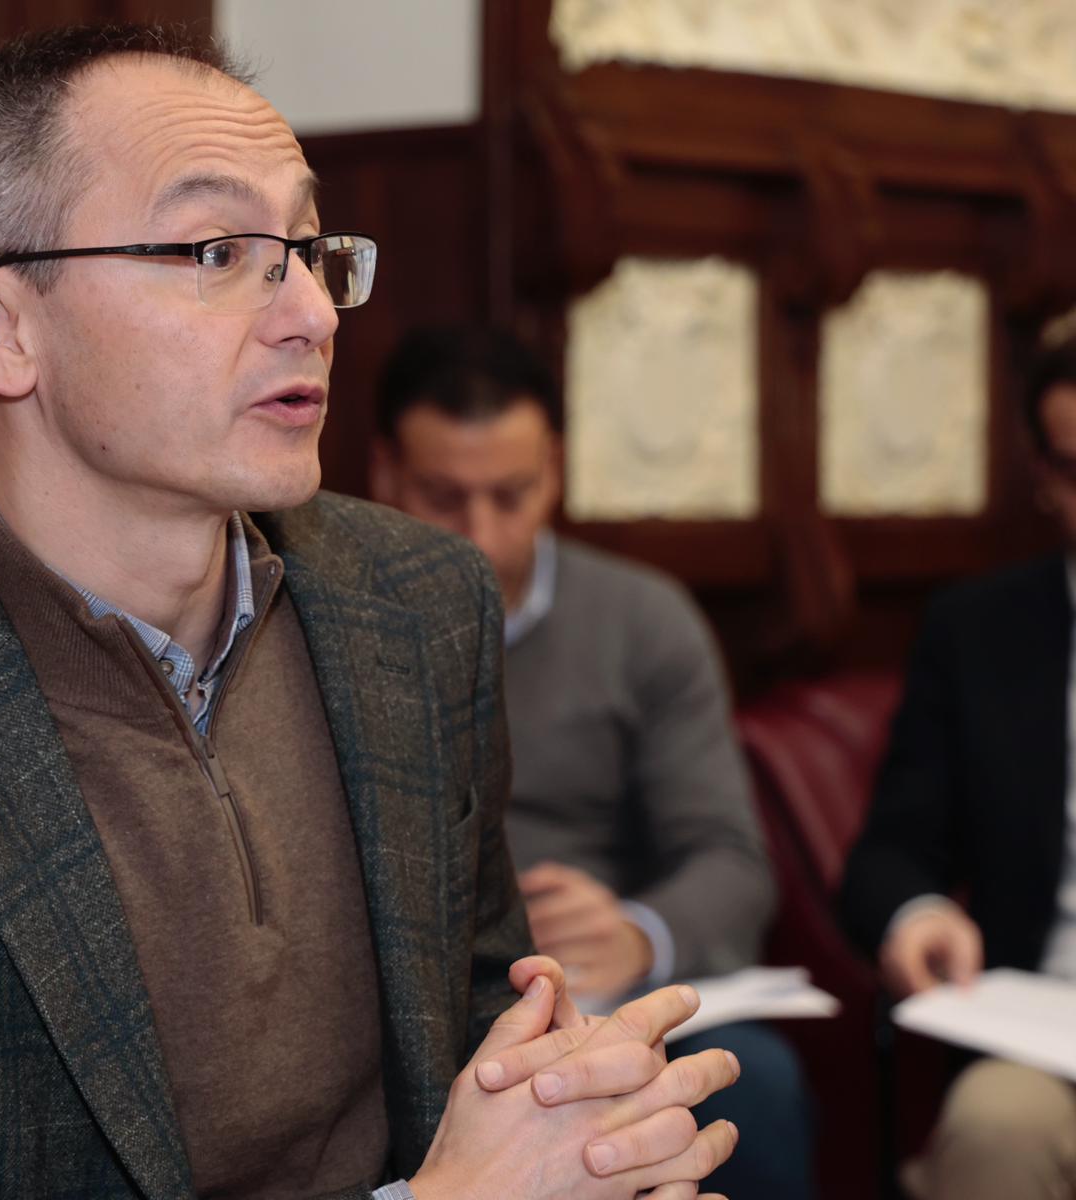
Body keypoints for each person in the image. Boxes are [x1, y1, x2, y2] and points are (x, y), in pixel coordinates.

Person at [0, 25, 742, 1200]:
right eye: (216, 251)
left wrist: (597, 1140)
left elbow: (487, 1036)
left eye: (307, 248)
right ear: (1, 328)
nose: (313, 313)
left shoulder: (415, 604)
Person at [370, 325, 815, 1200]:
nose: (482, 534)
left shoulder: (643, 620)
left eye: (512, 494)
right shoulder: (328, 617)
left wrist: (634, 935)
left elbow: (732, 860)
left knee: (754, 1084)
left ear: (557, 470)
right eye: (444, 497)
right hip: (415, 1001)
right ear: (385, 474)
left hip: (601, 996)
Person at [840, 334, 1076, 1200]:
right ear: (1044, 477)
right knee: (993, 1130)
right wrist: (920, 914)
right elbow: (889, 855)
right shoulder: (979, 634)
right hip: (1049, 1039)